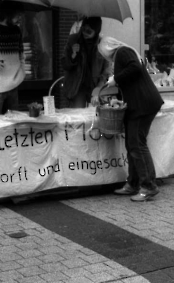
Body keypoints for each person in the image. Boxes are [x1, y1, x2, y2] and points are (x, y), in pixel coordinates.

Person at [97, 36, 164, 202]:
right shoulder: (123, 54)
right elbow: (132, 79)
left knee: (137, 144)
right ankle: (133, 183)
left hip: (143, 104)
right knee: (132, 144)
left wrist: (116, 79)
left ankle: (148, 186)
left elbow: (135, 68)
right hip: (139, 104)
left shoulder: (123, 52)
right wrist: (120, 97)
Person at [61, 17, 110, 108]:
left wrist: (99, 87)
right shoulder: (73, 40)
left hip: (95, 84)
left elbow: (106, 70)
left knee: (95, 116)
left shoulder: (102, 44)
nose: (85, 33)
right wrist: (73, 56)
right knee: (78, 116)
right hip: (77, 85)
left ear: (96, 31)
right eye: (83, 29)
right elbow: (65, 65)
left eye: (89, 31)